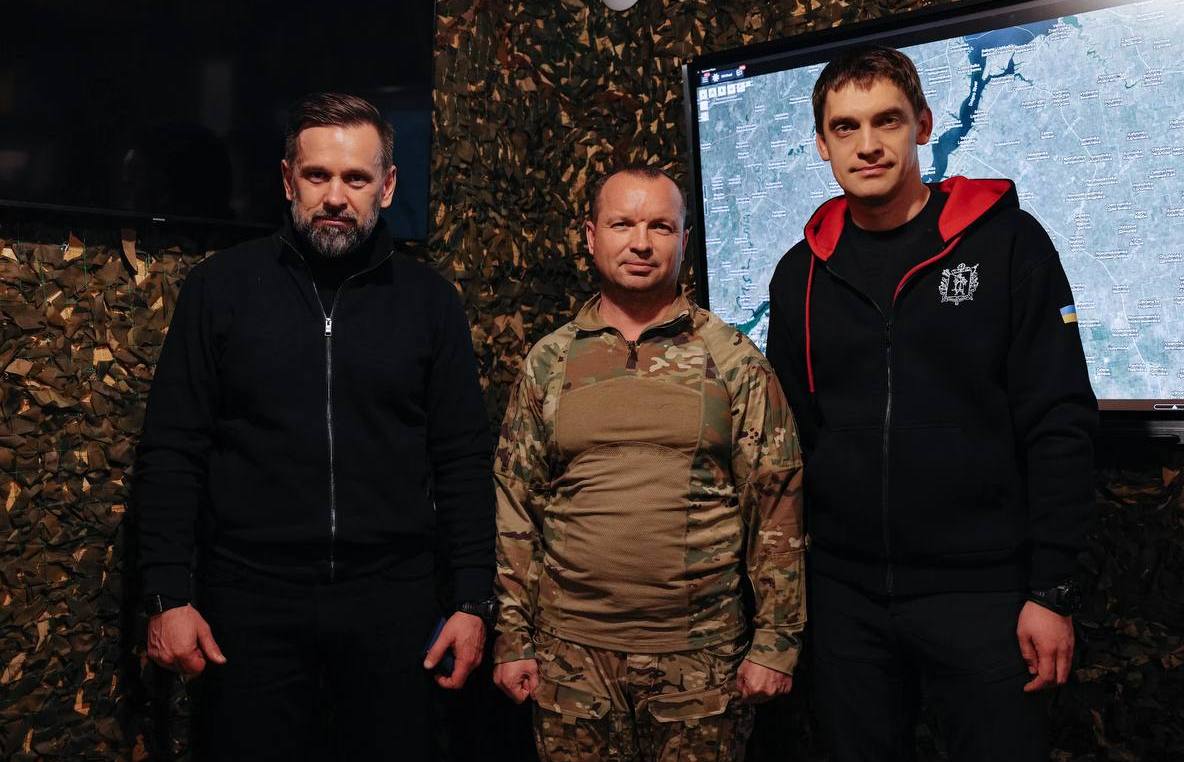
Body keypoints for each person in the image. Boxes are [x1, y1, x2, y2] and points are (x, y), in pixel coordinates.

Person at [133, 92, 496, 761]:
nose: (335, 196)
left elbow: (463, 460)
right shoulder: (219, 290)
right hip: (250, 604)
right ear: (287, 180)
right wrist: (166, 595)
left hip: (393, 605)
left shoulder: (431, 304)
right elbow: (172, 451)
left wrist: (474, 602)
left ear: (387, 187)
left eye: (355, 178)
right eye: (317, 175)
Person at [767, 46, 1098, 761]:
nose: (867, 144)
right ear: (822, 144)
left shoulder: (1008, 244)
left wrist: (1052, 590)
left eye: (886, 121)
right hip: (846, 598)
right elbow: (791, 441)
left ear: (922, 125)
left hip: (985, 594)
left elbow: (1059, 420)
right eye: (846, 127)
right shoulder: (800, 275)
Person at [491, 166, 806, 761]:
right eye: (623, 224)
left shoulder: (732, 360)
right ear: (591, 236)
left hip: (701, 661)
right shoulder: (548, 362)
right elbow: (516, 508)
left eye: (660, 226)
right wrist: (512, 637)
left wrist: (776, 640)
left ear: (684, 240)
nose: (641, 242)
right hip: (571, 658)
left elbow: (776, 504)